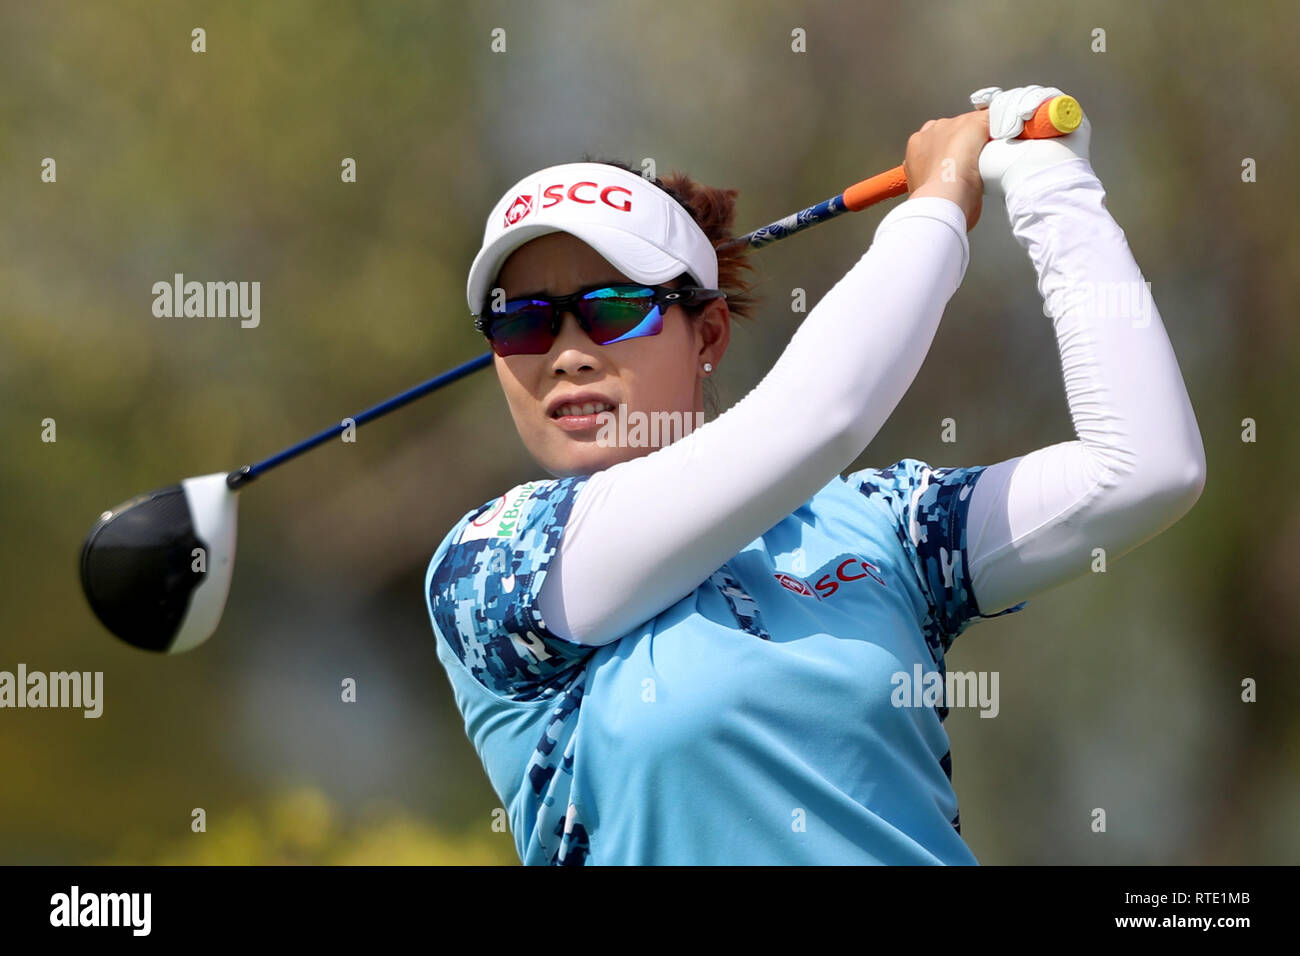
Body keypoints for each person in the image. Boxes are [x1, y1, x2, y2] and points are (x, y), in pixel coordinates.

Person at [424, 85, 1206, 865]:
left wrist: (1051, 188)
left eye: (614, 307)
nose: (565, 352)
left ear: (710, 331)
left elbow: (1143, 469)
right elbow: (819, 416)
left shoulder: (883, 522)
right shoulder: (490, 567)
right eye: (520, 319)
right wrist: (938, 202)